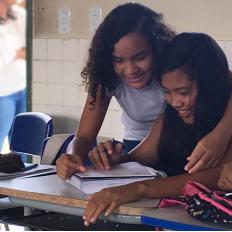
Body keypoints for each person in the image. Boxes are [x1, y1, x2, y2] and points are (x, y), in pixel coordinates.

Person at [56, 3, 232, 179]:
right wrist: (73, 157)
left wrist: (221, 134)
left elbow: (222, 81)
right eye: (118, 60)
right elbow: (84, 137)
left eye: (140, 57)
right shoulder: (107, 77)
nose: (131, 70)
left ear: (157, 48)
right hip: (139, 149)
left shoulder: (177, 63)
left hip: (189, 143)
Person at [83, 32, 232, 226]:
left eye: (183, 92)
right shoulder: (171, 113)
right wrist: (114, 159)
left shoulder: (225, 122)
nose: (175, 102)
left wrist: (140, 189)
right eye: (167, 92)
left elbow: (214, 177)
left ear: (210, 86)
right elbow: (144, 155)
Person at [0, 0, 26, 152]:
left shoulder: (19, 15)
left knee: (21, 147)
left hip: (22, 88)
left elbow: (29, 48)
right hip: (2, 94)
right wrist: (18, 52)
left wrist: (17, 52)